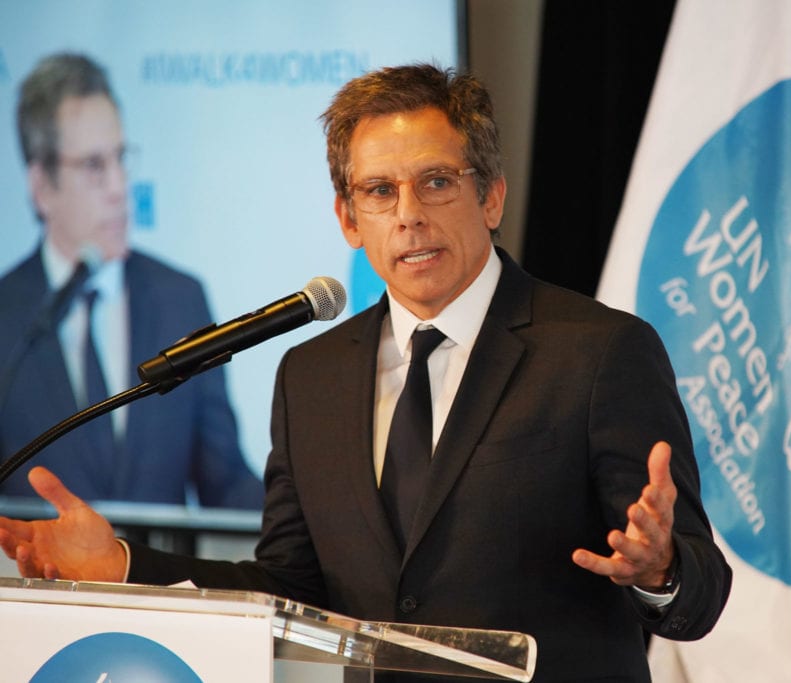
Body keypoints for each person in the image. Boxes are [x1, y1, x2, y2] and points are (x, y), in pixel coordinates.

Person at [0, 64, 731, 681]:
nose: (408, 215)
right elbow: (289, 587)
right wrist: (125, 564)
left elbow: (703, 592)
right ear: (349, 219)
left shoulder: (599, 352)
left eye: (437, 182)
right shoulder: (310, 376)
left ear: (492, 196)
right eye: (380, 191)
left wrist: (661, 568)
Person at [0, 53, 262, 508]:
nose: (120, 186)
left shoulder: (181, 299)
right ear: (42, 186)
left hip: (158, 578)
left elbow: (225, 482)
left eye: (121, 158)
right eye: (94, 166)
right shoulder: (7, 318)